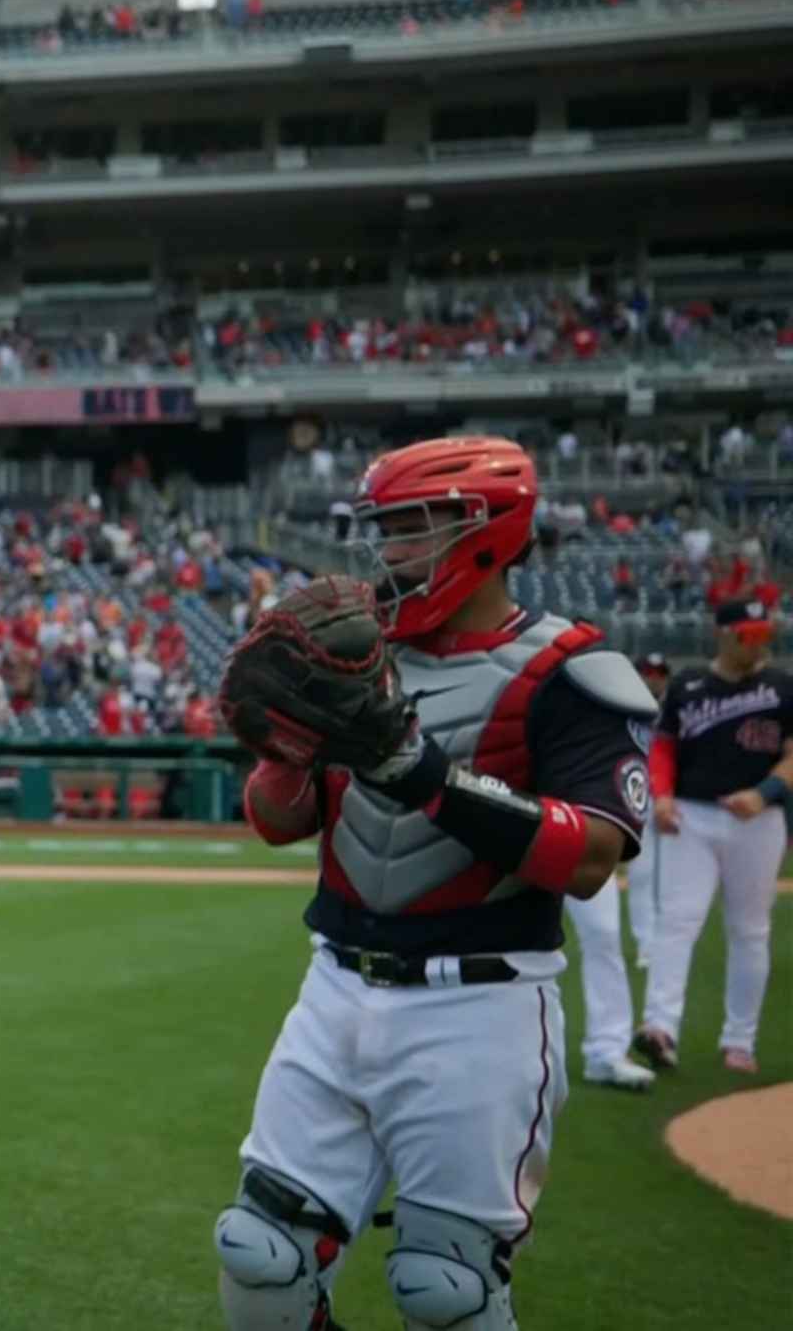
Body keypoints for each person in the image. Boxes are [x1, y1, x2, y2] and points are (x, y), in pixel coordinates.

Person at [219, 436, 653, 1331]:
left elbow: (594, 857)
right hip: (332, 989)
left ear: (488, 532)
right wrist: (284, 748)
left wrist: (422, 772)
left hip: (482, 1009)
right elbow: (277, 820)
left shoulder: (571, 669)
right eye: (382, 530)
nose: (389, 553)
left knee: (445, 1288)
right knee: (259, 1261)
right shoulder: (350, 649)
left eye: (413, 528)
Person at [633, 599, 792, 1077]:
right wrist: (660, 796)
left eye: (762, 633)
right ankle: (660, 1028)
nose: (757, 642)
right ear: (723, 634)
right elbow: (663, 748)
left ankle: (739, 1040)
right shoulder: (688, 684)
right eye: (747, 634)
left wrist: (764, 794)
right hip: (692, 816)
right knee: (677, 921)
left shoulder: (782, 686)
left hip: (758, 822)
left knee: (749, 930)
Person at [619, 651, 674, 959]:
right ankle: (646, 942)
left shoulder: (677, 707)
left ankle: (669, 939)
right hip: (638, 796)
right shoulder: (624, 707)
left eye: (658, 673)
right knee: (641, 872)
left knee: (672, 874)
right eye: (647, 672)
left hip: (671, 796)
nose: (653, 678)